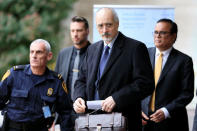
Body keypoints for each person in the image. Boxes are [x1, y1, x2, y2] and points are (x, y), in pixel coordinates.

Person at [73, 7, 154, 131]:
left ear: (117, 24)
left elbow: (146, 84)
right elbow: (81, 80)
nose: (104, 30)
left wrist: (117, 98)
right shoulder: (92, 49)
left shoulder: (135, 48)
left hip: (123, 122)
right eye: (100, 26)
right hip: (92, 122)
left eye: (108, 25)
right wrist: (79, 98)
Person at [0, 39, 72, 131]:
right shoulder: (14, 74)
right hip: (13, 128)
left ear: (49, 56)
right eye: (32, 52)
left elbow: (65, 112)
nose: (34, 56)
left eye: (39, 52)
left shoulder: (56, 81)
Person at [141, 18, 194, 131]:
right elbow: (135, 84)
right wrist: (137, 110)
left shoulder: (184, 61)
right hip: (144, 120)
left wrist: (166, 111)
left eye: (163, 32)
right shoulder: (143, 54)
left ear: (173, 36)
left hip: (171, 121)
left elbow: (187, 93)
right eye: (156, 32)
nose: (157, 36)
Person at [55, 16, 90, 102]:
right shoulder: (63, 54)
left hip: (86, 107)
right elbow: (56, 80)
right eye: (72, 31)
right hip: (64, 108)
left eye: (79, 30)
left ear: (87, 31)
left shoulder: (95, 53)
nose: (75, 34)